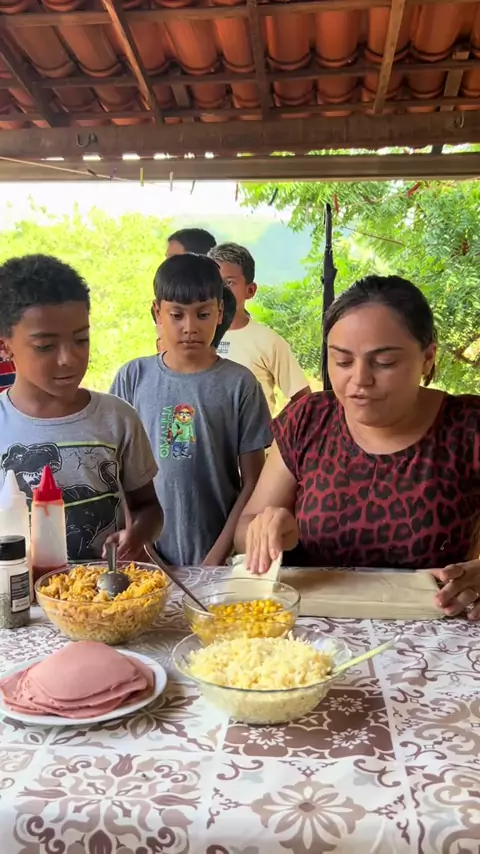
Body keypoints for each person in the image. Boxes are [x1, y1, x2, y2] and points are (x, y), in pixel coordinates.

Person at [234, 274, 480, 621]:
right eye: (343, 361)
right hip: (308, 633)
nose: (360, 380)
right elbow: (244, 531)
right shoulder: (309, 419)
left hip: (434, 635)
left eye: (384, 362)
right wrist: (269, 530)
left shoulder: (468, 426)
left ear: (427, 357)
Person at [111, 253, 271, 568]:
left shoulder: (240, 384)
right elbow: (115, 472)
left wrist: (216, 558)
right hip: (145, 559)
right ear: (156, 312)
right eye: (176, 315)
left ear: (220, 312)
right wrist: (140, 544)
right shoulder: (133, 378)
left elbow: (254, 481)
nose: (190, 327)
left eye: (202, 314)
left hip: (220, 557)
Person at [0, 254, 163, 562]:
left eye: (81, 340)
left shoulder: (117, 418)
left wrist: (137, 535)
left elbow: (148, 508)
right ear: (5, 346)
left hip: (103, 589)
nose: (68, 358)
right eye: (45, 346)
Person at [209, 242, 310, 412]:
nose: (220, 291)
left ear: (250, 290)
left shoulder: (268, 341)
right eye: (214, 282)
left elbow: (303, 398)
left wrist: (276, 426)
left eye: (229, 283)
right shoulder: (196, 337)